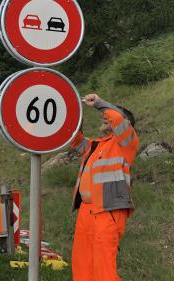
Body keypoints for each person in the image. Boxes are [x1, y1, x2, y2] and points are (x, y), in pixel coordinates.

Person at [69, 93, 139, 281]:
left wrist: (100, 103)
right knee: (82, 266)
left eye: (109, 118)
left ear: (125, 125)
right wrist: (74, 112)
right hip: (86, 211)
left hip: (109, 211)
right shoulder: (94, 145)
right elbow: (73, 139)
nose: (105, 118)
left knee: (103, 269)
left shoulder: (126, 144)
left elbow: (116, 117)